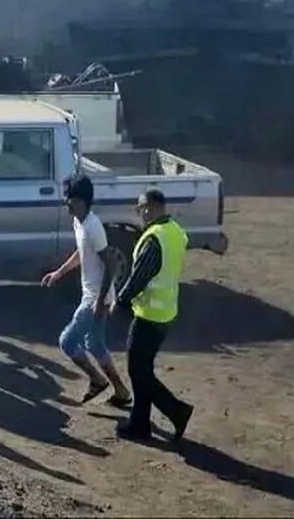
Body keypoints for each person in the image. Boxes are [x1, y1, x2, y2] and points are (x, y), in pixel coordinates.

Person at [42, 176, 132, 406]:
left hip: (96, 298)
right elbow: (81, 253)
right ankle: (121, 391)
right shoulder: (78, 223)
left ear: (81, 200)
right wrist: (59, 273)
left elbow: (110, 263)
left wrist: (100, 301)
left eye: (69, 198)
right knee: (95, 345)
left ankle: (97, 380)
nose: (66, 202)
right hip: (92, 295)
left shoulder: (93, 227)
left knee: (67, 341)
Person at [113, 189, 194, 444]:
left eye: (141, 207)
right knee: (142, 370)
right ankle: (140, 425)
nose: (140, 212)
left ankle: (177, 411)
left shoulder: (154, 238)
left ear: (152, 207)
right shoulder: (175, 231)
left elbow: (140, 276)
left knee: (138, 371)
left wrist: (121, 300)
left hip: (149, 316)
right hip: (166, 311)